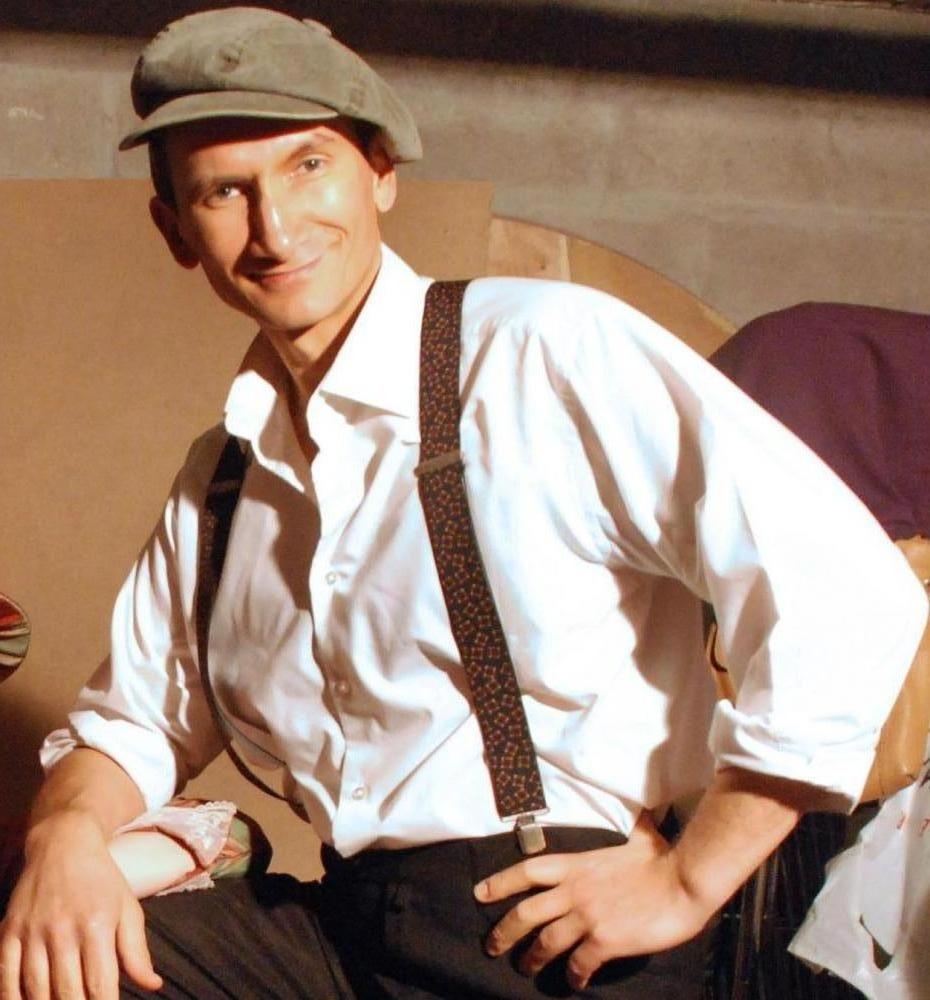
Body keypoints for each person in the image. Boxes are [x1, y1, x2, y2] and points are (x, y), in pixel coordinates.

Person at [0, 8, 926, 1000]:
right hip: (347, 926)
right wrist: (65, 839)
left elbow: (845, 588)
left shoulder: (541, 350)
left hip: (552, 937)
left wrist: (690, 879)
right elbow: (134, 723)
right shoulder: (224, 477)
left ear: (381, 173)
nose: (275, 228)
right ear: (176, 229)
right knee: (51, 963)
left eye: (308, 166)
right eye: (225, 190)